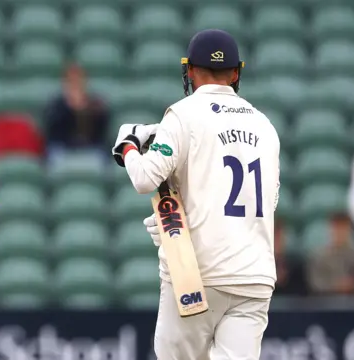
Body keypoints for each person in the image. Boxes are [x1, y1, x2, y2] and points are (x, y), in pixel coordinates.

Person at [112, 29, 280, 359]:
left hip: (197, 273)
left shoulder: (183, 113)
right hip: (255, 278)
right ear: (235, 73)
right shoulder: (265, 125)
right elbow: (269, 201)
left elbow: (145, 178)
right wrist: (179, 215)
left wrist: (128, 146)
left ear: (189, 71)